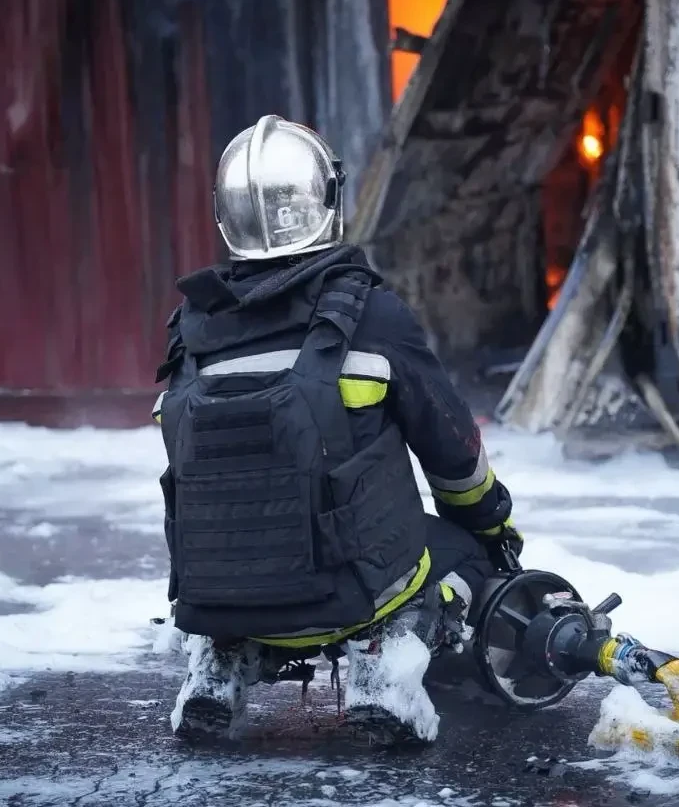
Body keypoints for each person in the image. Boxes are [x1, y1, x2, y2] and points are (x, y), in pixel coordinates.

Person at [151, 115, 523, 746]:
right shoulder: (370, 315)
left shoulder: (191, 330)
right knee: (467, 553)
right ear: (326, 199)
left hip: (219, 599)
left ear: (226, 215)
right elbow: (452, 452)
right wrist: (493, 527)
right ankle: (383, 667)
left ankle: (220, 664)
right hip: (349, 597)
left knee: (251, 528)